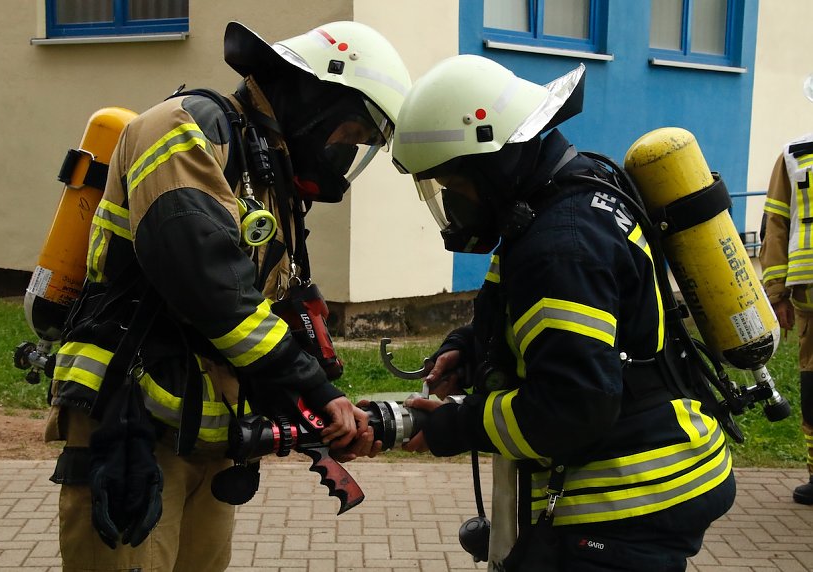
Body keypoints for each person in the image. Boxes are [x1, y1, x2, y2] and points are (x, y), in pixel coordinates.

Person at [44, 20, 411, 571]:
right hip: (131, 426)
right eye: (349, 132)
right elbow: (208, 284)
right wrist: (310, 386)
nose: (344, 152)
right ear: (316, 98)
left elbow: (262, 312)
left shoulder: (265, 169)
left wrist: (319, 408)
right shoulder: (184, 127)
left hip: (206, 433)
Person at [391, 55, 735, 571]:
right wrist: (467, 347)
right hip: (661, 468)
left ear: (493, 163)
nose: (451, 204)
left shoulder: (559, 245)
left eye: (453, 186)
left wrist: (457, 425)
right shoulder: (572, 191)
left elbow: (572, 407)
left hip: (628, 496)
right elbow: (531, 311)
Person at [759, 131, 813, 505]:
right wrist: (777, 294)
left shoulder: (796, 154)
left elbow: (774, 226)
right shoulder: (794, 154)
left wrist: (778, 291)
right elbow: (776, 225)